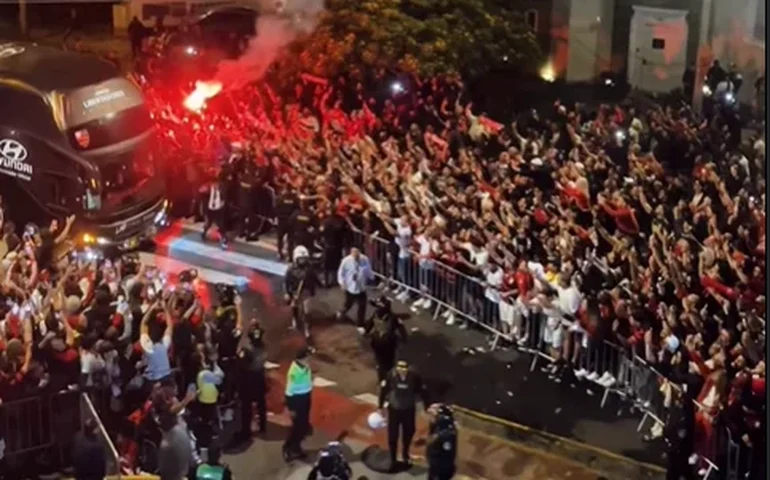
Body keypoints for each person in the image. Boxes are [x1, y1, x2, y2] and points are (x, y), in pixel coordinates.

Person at [378, 359, 428, 471]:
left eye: (404, 368)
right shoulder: (391, 375)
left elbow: (422, 391)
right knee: (393, 434)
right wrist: (380, 406)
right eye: (399, 368)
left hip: (408, 408)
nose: (402, 371)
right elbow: (384, 390)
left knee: (409, 431)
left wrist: (426, 406)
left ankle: (405, 454)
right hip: (395, 409)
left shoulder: (415, 377)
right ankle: (393, 458)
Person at [233, 317, 268, 445]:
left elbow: (241, 364)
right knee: (261, 403)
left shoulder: (247, 350)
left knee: (246, 407)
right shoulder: (263, 347)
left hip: (248, 380)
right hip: (260, 378)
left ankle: (246, 431)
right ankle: (263, 425)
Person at [364, 296, 407, 381]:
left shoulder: (382, 315)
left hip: (381, 341)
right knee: (386, 361)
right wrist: (404, 338)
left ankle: (383, 374)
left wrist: (366, 331)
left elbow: (369, 324)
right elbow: (401, 328)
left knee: (383, 360)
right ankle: (385, 375)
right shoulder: (391, 317)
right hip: (386, 342)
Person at [283, 348, 313, 461]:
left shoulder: (305, 366)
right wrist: (291, 408)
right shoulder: (294, 372)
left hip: (306, 397)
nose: (310, 359)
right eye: (308, 357)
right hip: (297, 400)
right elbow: (289, 391)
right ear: (301, 359)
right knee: (298, 427)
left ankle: (295, 447)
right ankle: (290, 448)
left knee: (303, 425)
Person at [284, 245, 319, 340]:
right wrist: (287, 293)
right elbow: (287, 282)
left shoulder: (309, 268)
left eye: (304, 259)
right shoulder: (290, 269)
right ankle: (295, 319)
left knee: (307, 310)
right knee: (295, 306)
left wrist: (318, 286)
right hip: (295, 292)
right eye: (301, 259)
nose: (303, 261)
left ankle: (307, 327)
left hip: (306, 292)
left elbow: (314, 278)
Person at [336, 247, 374, 327]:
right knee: (348, 304)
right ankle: (341, 312)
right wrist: (342, 283)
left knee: (362, 306)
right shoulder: (346, 261)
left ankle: (360, 323)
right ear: (351, 252)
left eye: (357, 252)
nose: (355, 254)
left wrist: (371, 277)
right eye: (354, 252)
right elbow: (340, 273)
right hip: (350, 288)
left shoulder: (364, 259)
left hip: (361, 287)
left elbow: (368, 270)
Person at [426, 404, 457, 480]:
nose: (430, 418)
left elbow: (447, 456)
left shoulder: (446, 434)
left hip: (441, 471)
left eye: (433, 415)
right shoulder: (438, 428)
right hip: (435, 468)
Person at [202, 174, 228, 249]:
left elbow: (225, 198)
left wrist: (222, 204)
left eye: (216, 184)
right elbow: (202, 194)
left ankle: (224, 240)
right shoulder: (208, 189)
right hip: (210, 209)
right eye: (213, 184)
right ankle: (204, 234)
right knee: (208, 224)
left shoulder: (222, 189)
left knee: (221, 225)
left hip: (218, 210)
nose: (215, 185)